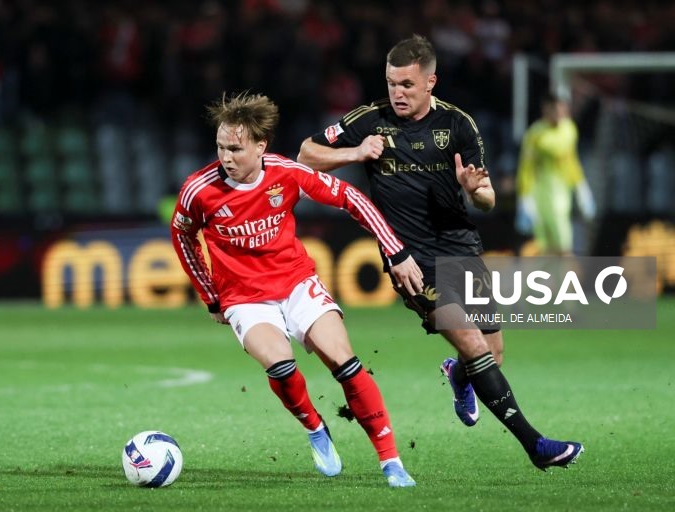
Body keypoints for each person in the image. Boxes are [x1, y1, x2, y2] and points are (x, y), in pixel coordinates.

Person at [298, 34, 583, 470]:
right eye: (392, 83)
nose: (397, 93)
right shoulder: (370, 119)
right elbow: (306, 153)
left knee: (493, 350)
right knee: (472, 343)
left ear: (431, 82)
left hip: (461, 246)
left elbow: (485, 197)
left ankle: (457, 374)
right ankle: (537, 446)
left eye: (407, 85)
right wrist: (355, 152)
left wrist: (475, 191)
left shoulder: (459, 125)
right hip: (411, 259)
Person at [170, 91, 424, 487]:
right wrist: (211, 296)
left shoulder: (286, 173)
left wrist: (395, 251)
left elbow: (352, 198)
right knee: (280, 363)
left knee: (344, 361)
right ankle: (314, 427)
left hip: (296, 283)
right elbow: (182, 236)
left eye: (235, 148)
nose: (226, 157)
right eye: (220, 147)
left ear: (260, 146)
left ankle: (391, 462)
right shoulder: (198, 190)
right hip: (245, 298)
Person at [515, 93, 596, 255]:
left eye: (563, 109)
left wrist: (581, 187)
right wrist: (524, 198)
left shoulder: (569, 129)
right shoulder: (535, 134)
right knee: (547, 249)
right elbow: (526, 167)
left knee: (563, 247)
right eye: (556, 109)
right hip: (540, 195)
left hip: (562, 194)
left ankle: (564, 279)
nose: (560, 113)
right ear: (546, 109)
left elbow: (571, 161)